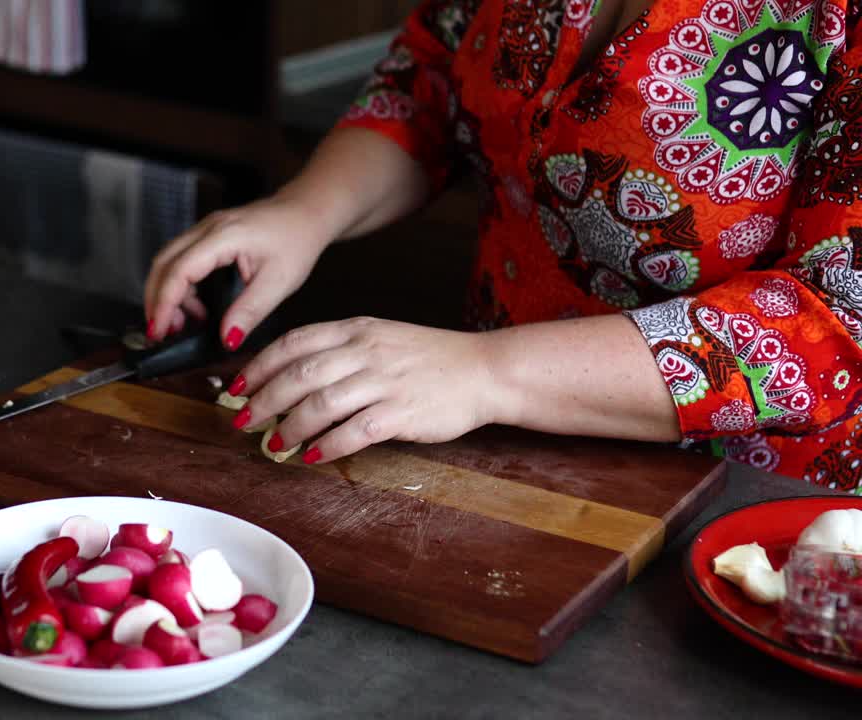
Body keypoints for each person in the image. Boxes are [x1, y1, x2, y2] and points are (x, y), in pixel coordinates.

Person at [142, 0, 862, 491]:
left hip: (753, 523)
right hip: (502, 452)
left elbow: (835, 319)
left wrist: (486, 372)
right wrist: (303, 212)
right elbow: (431, 79)